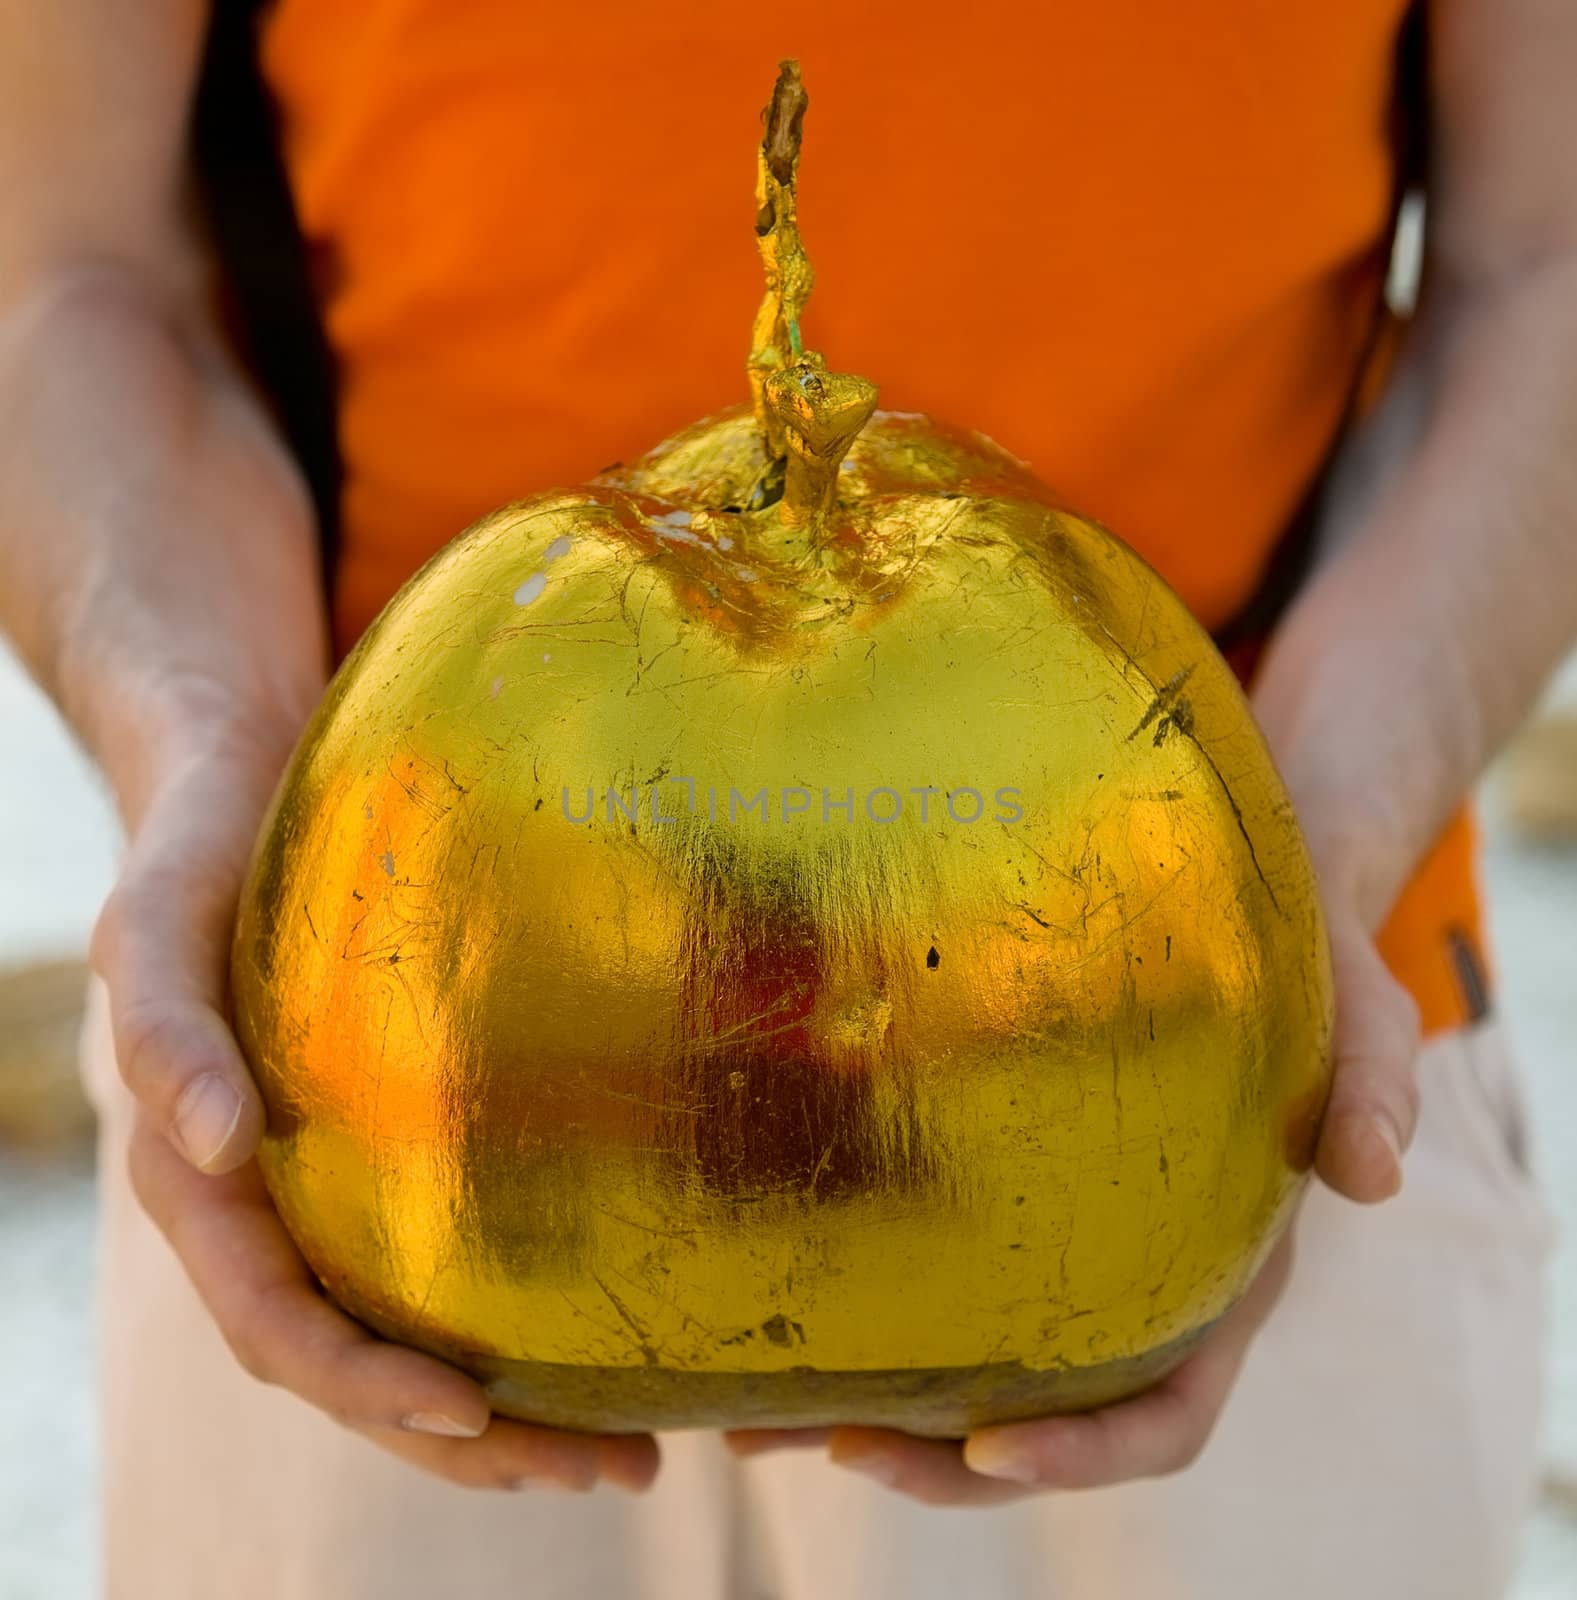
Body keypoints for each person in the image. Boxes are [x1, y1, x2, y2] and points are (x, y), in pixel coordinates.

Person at [1, 2, 1572, 1595]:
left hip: (1238, 1030)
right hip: (370, 1061)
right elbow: (65, 267)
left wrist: (1320, 838)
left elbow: (1545, 259)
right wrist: (202, 739)